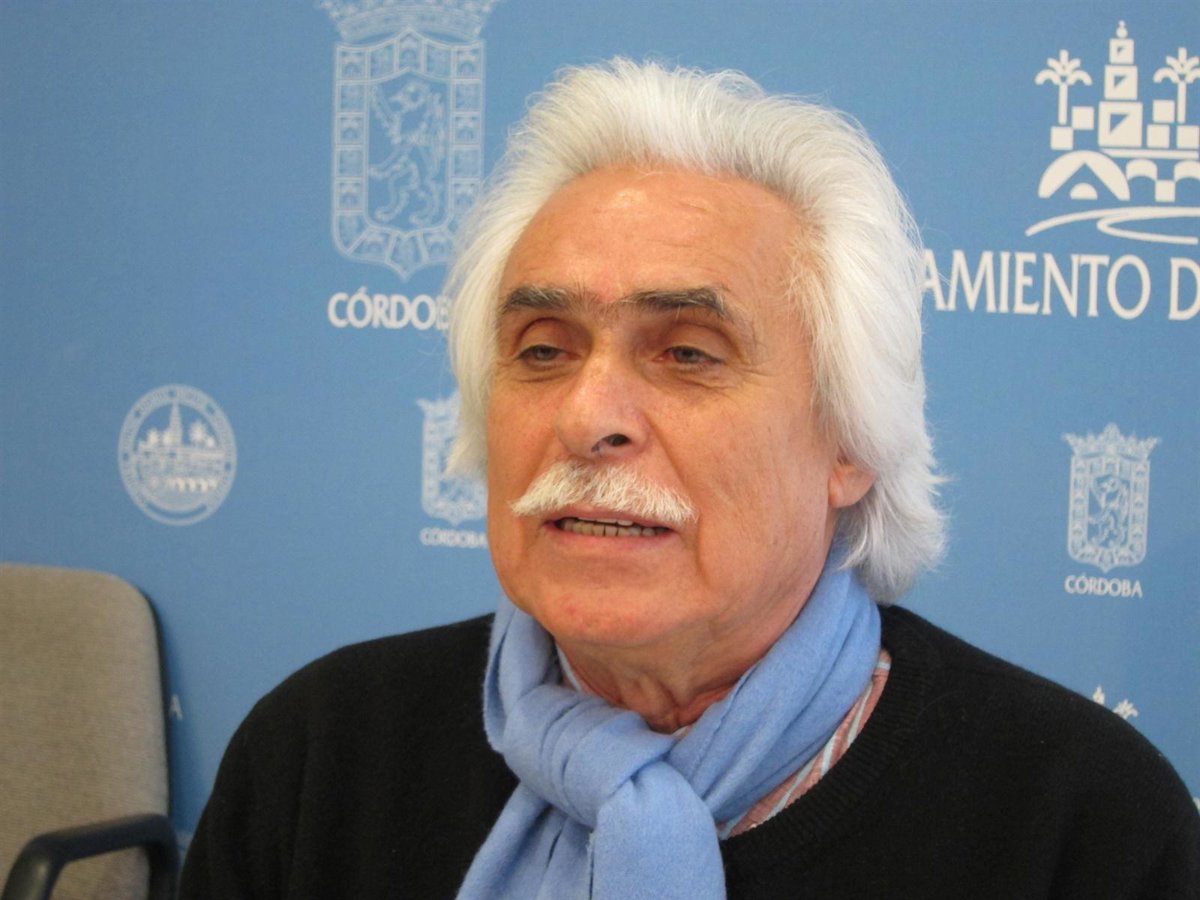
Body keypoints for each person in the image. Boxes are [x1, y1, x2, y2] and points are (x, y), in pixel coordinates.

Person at [180, 60, 1199, 899]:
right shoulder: (321, 755)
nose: (587, 417)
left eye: (688, 354)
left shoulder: (1080, 823)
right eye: (543, 350)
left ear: (851, 443)